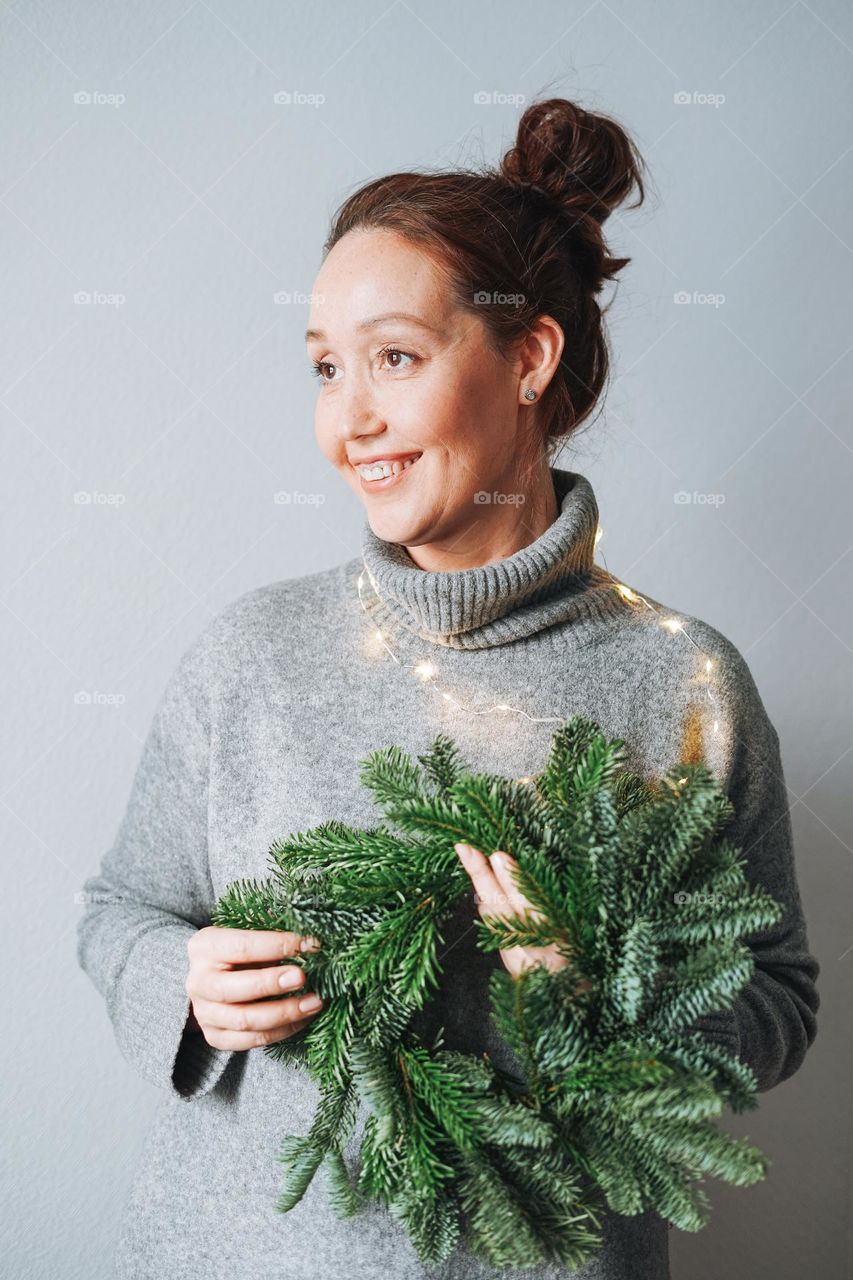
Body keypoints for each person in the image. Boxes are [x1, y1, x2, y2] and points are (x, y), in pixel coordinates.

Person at [76, 97, 819, 1280]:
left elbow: (775, 1002)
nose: (347, 419)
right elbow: (120, 908)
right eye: (325, 367)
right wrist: (185, 982)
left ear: (526, 356)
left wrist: (604, 992)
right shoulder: (249, 656)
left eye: (394, 357)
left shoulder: (682, 681)